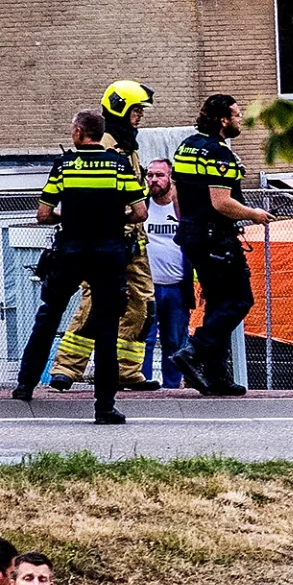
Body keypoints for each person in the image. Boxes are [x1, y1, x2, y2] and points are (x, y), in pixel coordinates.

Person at [15, 110, 139, 423]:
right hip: (110, 253)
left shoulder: (64, 165)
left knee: (49, 315)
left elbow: (42, 214)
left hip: (70, 251)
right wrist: (113, 220)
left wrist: (66, 219)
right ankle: (105, 407)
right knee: (108, 327)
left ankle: (25, 385)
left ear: (79, 132)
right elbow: (140, 212)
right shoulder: (119, 165)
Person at [173, 95, 271, 396]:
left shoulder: (186, 146)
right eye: (236, 115)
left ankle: (217, 376)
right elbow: (221, 202)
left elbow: (177, 193)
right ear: (223, 120)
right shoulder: (219, 153)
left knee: (217, 302)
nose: (240, 120)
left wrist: (190, 224)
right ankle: (194, 352)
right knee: (239, 300)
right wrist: (254, 214)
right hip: (216, 237)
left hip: (191, 234)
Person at [142, 165, 192, 390]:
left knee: (174, 340)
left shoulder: (182, 208)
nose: (154, 180)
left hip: (177, 287)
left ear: (170, 178)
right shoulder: (142, 206)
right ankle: (141, 382)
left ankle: (172, 387)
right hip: (147, 287)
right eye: (150, 175)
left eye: (160, 175)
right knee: (145, 339)